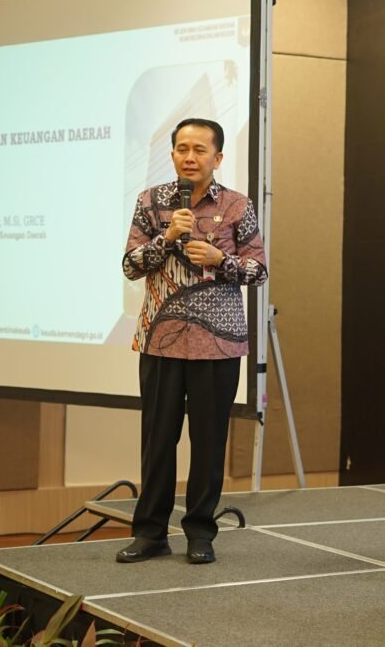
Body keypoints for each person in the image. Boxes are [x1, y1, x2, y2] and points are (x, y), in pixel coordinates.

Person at [115, 117, 268, 565]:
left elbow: (259, 271)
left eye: (200, 150)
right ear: (172, 154)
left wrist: (222, 260)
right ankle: (150, 533)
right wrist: (168, 237)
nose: (189, 157)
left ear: (217, 158)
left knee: (208, 443)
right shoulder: (151, 202)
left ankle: (201, 533)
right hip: (160, 342)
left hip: (217, 346)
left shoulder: (238, 205)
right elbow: (130, 265)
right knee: (158, 442)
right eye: (182, 149)